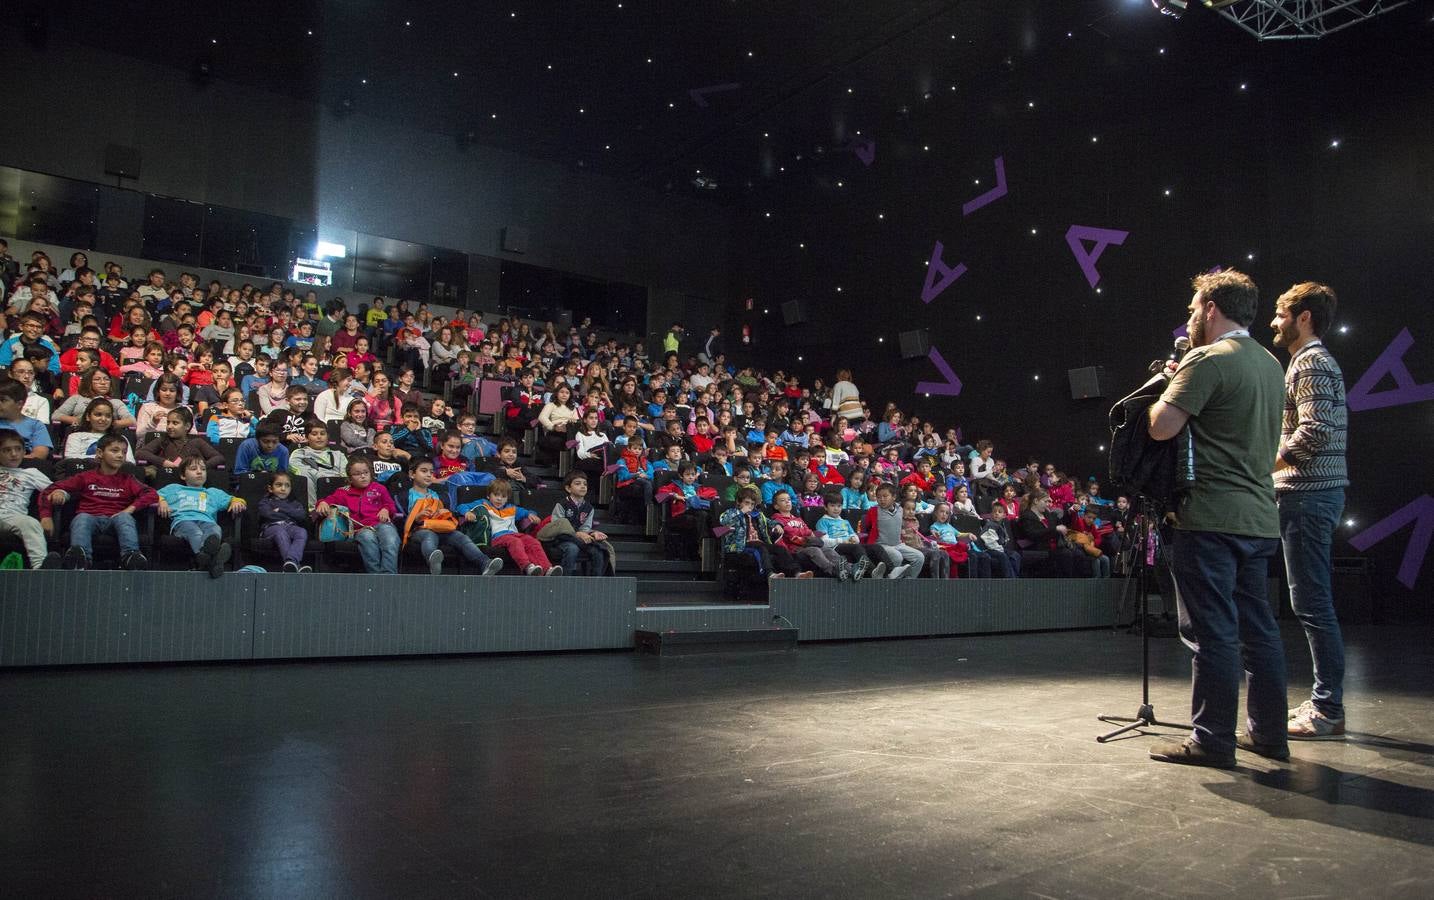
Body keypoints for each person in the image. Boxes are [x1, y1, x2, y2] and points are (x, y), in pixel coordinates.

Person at [1146, 269, 1287, 769]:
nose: (1190, 318)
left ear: (1211, 309)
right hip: (1259, 519)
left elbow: (1161, 427)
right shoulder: (1272, 365)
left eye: (1193, 309)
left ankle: (1212, 741)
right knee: (1260, 631)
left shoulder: (1207, 359)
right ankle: (1269, 735)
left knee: (1211, 634)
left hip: (1207, 518)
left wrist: (1171, 380)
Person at [1270, 282, 1349, 741]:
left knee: (1313, 604)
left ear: (1303, 318)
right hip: (1310, 494)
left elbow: (1314, 432)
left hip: (1308, 494)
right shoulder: (1309, 363)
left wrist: (1267, 467)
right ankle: (1325, 700)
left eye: (1281, 314)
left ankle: (1327, 709)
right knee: (1311, 602)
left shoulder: (1311, 363)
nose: (1275, 322)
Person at [43, 434, 157, 570]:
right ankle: (80, 558)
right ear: (99, 453)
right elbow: (50, 489)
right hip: (90, 517)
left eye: (124, 452)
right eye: (114, 450)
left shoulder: (128, 479)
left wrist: (129, 509)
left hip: (116, 519)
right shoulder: (86, 477)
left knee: (125, 518)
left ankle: (131, 557)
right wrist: (46, 515)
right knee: (82, 518)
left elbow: (151, 494)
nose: (120, 455)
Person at [401, 458, 503, 577]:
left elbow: (451, 514)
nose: (429, 474)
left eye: (431, 472)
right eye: (424, 471)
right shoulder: (405, 495)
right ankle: (433, 559)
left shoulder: (440, 495)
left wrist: (446, 512)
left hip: (441, 527)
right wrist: (417, 517)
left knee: (461, 537)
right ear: (412, 474)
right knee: (429, 536)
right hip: (419, 530)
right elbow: (401, 519)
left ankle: (485, 563)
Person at [156, 456, 244, 578]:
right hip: (183, 521)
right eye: (193, 469)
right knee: (195, 532)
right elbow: (152, 496)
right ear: (183, 475)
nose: (199, 472)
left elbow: (236, 499)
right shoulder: (174, 489)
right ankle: (213, 559)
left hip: (207, 522)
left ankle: (206, 559)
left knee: (215, 530)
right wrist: (162, 502)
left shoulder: (213, 493)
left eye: (203, 469)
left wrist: (236, 503)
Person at [315, 458, 400, 574]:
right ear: (350, 478)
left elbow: (390, 505)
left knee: (390, 538)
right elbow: (329, 500)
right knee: (367, 538)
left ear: (371, 473)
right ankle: (376, 576)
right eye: (357, 474)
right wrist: (322, 503)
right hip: (360, 529)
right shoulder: (343, 492)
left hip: (381, 523)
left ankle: (388, 575)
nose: (363, 476)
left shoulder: (379, 488)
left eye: (366, 472)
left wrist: (386, 509)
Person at [463, 477, 560, 575]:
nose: (499, 499)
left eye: (503, 496)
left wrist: (531, 515)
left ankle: (547, 569)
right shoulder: (484, 504)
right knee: (515, 542)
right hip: (496, 537)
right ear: (488, 496)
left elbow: (527, 512)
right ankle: (527, 567)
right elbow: (461, 506)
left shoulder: (512, 508)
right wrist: (467, 512)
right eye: (496, 495)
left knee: (533, 541)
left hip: (514, 534)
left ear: (507, 498)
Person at [0, 430, 57, 569]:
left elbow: (54, 490)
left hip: (12, 517)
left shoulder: (31, 473)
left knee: (31, 523)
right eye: (7, 450)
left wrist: (46, 515)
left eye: (18, 449)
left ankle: (40, 568)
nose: (14, 454)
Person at [548, 471, 612, 576]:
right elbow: (557, 527)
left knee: (598, 551)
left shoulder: (589, 508)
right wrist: (577, 534)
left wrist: (592, 534)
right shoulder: (561, 504)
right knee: (572, 549)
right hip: (562, 539)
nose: (582, 486)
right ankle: (564, 581)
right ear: (568, 488)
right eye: (578, 484)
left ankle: (595, 583)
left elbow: (585, 528)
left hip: (580, 539)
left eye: (585, 484)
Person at [861, 483, 921, 579]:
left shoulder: (900, 509)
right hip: (881, 545)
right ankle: (890, 582)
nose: (882, 499)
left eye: (885, 496)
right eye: (879, 497)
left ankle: (909, 581)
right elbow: (866, 526)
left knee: (919, 557)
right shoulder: (874, 511)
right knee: (897, 557)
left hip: (898, 544)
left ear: (894, 497)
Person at [256, 471, 311, 573]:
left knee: (302, 532)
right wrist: (290, 514)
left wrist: (281, 510)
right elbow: (268, 514)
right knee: (280, 531)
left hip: (291, 526)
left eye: (287, 486)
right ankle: (295, 564)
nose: (283, 489)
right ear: (270, 488)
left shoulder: (294, 503)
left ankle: (291, 563)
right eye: (279, 485)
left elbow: (301, 515)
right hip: (271, 528)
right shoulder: (266, 501)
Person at [0, 377, 54, 459]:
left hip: (23, 467)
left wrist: (11, 460)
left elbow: (40, 454)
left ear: (19, 404)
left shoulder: (36, 425)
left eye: (3, 400)